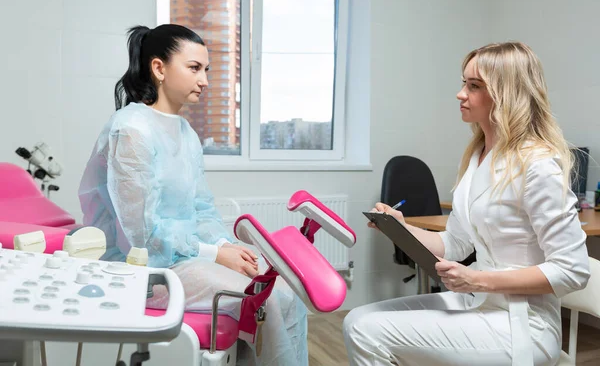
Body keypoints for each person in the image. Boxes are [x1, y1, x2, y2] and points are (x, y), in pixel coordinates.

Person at [343, 42, 590, 366]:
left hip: (523, 325)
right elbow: (453, 244)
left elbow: (572, 270)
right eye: (464, 83)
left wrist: (478, 279)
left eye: (474, 86)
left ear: (506, 93)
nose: (461, 94)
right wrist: (401, 228)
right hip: (478, 302)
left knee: (365, 329)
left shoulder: (537, 164)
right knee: (358, 320)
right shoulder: (477, 157)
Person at [79, 24, 308, 366]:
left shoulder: (185, 132)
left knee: (288, 288)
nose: (205, 80)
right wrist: (215, 253)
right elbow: (141, 236)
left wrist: (225, 245)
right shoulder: (131, 130)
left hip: (186, 257)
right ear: (159, 68)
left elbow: (201, 206)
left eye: (207, 70)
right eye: (194, 68)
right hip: (142, 268)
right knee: (268, 296)